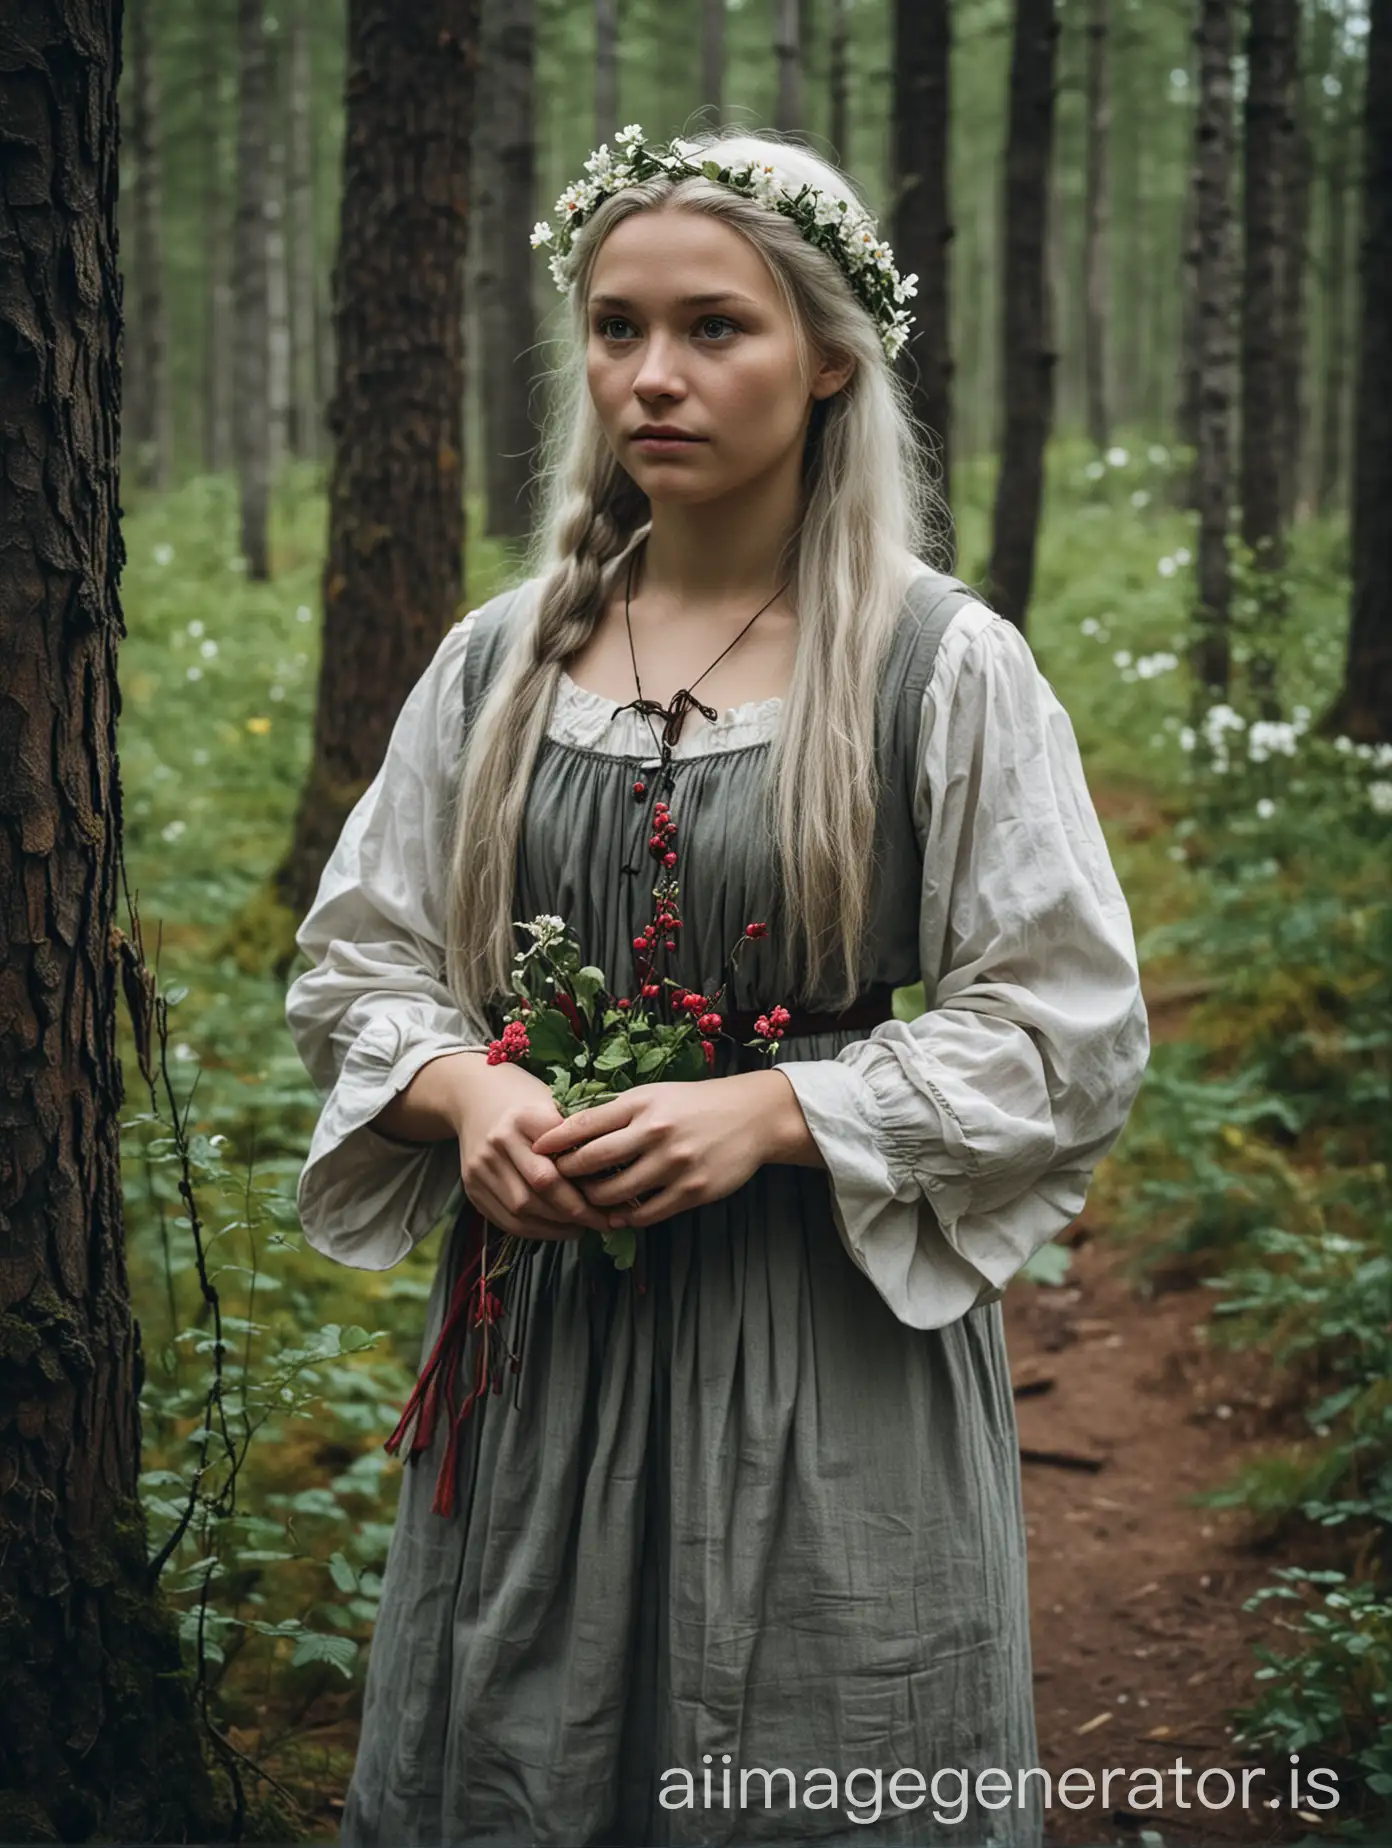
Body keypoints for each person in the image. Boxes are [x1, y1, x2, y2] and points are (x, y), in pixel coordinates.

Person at [285, 125, 1150, 1848]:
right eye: (615, 329)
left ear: (830, 359)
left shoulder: (935, 663)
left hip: (817, 1346)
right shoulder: (502, 658)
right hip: (545, 1341)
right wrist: (469, 1097)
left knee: (812, 1744)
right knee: (533, 1756)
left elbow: (1065, 1025)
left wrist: (773, 1111)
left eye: (713, 329)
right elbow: (364, 953)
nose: (650, 377)